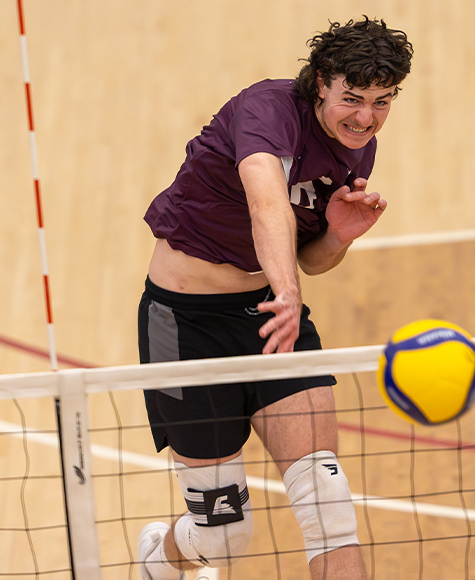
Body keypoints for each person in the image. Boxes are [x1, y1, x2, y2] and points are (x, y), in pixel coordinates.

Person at [135, 17, 413, 580]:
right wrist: (288, 293)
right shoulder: (266, 111)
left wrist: (336, 236)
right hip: (183, 327)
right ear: (319, 86)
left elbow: (311, 257)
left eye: (382, 102)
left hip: (268, 319)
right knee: (225, 537)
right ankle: (159, 561)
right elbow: (267, 205)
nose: (365, 117)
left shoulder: (359, 146)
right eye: (352, 99)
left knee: (330, 512)